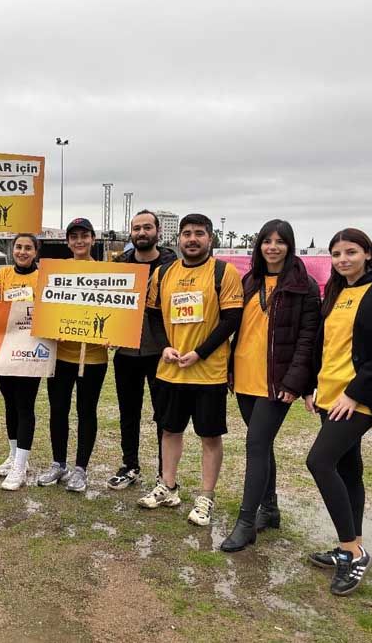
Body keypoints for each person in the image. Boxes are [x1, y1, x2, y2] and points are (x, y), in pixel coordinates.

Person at [306, 228, 372, 596]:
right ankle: (348, 547)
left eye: (350, 252)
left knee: (319, 462)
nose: (342, 260)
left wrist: (354, 394)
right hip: (330, 394)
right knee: (347, 468)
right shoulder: (336, 293)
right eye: (336, 254)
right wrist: (312, 386)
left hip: (359, 398)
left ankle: (353, 551)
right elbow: (326, 345)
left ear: (368, 253)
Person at [220, 220, 320, 552]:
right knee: (262, 445)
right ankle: (271, 509)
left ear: (290, 246)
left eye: (280, 241)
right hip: (245, 375)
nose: (272, 247)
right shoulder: (250, 280)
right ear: (259, 245)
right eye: (267, 241)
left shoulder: (304, 285)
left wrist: (296, 382)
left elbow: (308, 339)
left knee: (256, 445)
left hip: (277, 382)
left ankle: (246, 523)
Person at [139, 214, 243, 526]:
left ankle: (205, 498)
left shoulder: (224, 272)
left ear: (210, 238)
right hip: (171, 369)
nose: (192, 239)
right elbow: (154, 314)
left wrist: (200, 353)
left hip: (208, 372)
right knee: (169, 430)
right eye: (187, 234)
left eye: (199, 233)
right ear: (179, 239)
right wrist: (165, 347)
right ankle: (167, 486)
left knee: (209, 436)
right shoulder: (165, 272)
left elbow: (231, 319)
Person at [37, 217, 109, 493]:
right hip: (60, 355)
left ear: (92, 239)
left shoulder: (105, 272)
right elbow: (47, 305)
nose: (79, 241)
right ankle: (58, 463)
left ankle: (81, 468)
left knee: (86, 411)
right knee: (58, 410)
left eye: (84, 236)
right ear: (68, 241)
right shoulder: (56, 270)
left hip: (92, 357)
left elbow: (115, 311)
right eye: (74, 236)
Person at [107, 210, 177, 490]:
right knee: (128, 412)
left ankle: (165, 473)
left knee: (163, 414)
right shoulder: (120, 265)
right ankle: (130, 465)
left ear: (158, 231)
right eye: (136, 228)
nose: (141, 233)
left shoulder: (173, 266)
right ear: (130, 233)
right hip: (125, 352)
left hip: (160, 352)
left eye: (147, 227)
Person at [0, 234, 41, 490]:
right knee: (10, 404)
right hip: (5, 349)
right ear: (12, 249)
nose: (23, 251)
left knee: (25, 405)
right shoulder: (4, 275)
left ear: (36, 252)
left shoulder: (44, 277)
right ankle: (14, 456)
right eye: (19, 247)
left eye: (28, 248)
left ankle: (20, 467)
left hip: (32, 351)